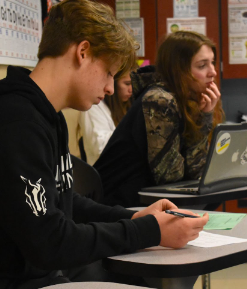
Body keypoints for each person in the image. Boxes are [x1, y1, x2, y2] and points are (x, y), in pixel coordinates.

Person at [0, 2, 208, 289]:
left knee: (145, 283)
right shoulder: (14, 122)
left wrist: (134, 217)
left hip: (23, 273)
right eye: (109, 72)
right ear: (83, 52)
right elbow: (49, 243)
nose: (111, 88)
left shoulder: (47, 116)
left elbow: (62, 202)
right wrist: (151, 231)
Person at [94, 31, 225, 207]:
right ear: (179, 70)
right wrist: (203, 121)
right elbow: (170, 177)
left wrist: (204, 116)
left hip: (142, 203)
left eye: (212, 63)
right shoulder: (159, 100)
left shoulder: (187, 100)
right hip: (116, 206)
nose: (213, 72)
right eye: (202, 65)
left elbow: (196, 172)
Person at [78, 68, 135, 165]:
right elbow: (101, 148)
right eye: (127, 84)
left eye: (132, 84)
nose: (131, 89)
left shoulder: (128, 104)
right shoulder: (93, 107)